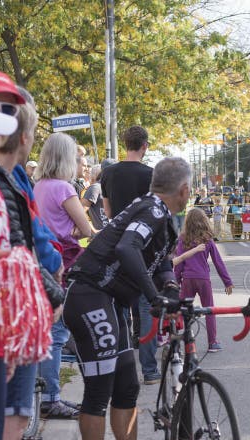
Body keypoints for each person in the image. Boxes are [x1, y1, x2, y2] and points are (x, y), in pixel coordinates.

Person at [64, 157, 189, 440]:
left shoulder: (159, 213)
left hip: (108, 299)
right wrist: (151, 296)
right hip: (90, 295)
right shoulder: (152, 210)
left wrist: (170, 288)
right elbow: (126, 247)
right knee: (99, 389)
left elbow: (160, 257)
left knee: (127, 385)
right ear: (185, 190)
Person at [0, 78, 64, 440]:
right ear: (24, 137)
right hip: (8, 325)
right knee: (9, 420)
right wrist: (54, 293)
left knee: (11, 419)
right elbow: (17, 252)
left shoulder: (11, 181)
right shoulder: (5, 182)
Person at [34, 132, 101, 419]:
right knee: (57, 334)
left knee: (45, 330)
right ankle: (51, 397)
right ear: (66, 158)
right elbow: (86, 231)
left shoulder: (38, 186)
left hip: (42, 261)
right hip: (64, 263)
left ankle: (42, 394)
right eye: (75, 157)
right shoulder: (64, 189)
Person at [99, 126, 160, 383]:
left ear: (125, 144)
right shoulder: (151, 174)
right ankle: (149, 370)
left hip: (117, 246)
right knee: (147, 307)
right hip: (144, 246)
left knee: (120, 308)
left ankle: (123, 368)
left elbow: (109, 212)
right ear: (144, 145)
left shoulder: (108, 173)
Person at [174, 208, 234, 351]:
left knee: (181, 310)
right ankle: (212, 342)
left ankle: (176, 342)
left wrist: (175, 281)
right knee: (209, 310)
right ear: (204, 221)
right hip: (203, 280)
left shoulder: (183, 239)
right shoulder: (208, 239)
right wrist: (227, 282)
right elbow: (218, 262)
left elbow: (179, 263)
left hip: (187, 279)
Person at [81, 157, 115, 231]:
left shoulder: (112, 188)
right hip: (101, 237)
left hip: (113, 235)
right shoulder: (95, 188)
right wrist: (93, 231)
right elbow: (79, 212)